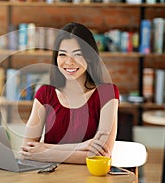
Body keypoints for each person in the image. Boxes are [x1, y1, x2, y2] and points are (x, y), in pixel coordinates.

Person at [19, 22, 120, 164]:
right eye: (62, 54)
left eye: (77, 54)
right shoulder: (45, 94)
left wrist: (44, 151)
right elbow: (26, 149)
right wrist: (81, 146)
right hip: (47, 179)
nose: (69, 61)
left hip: (90, 181)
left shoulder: (107, 94)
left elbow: (101, 155)